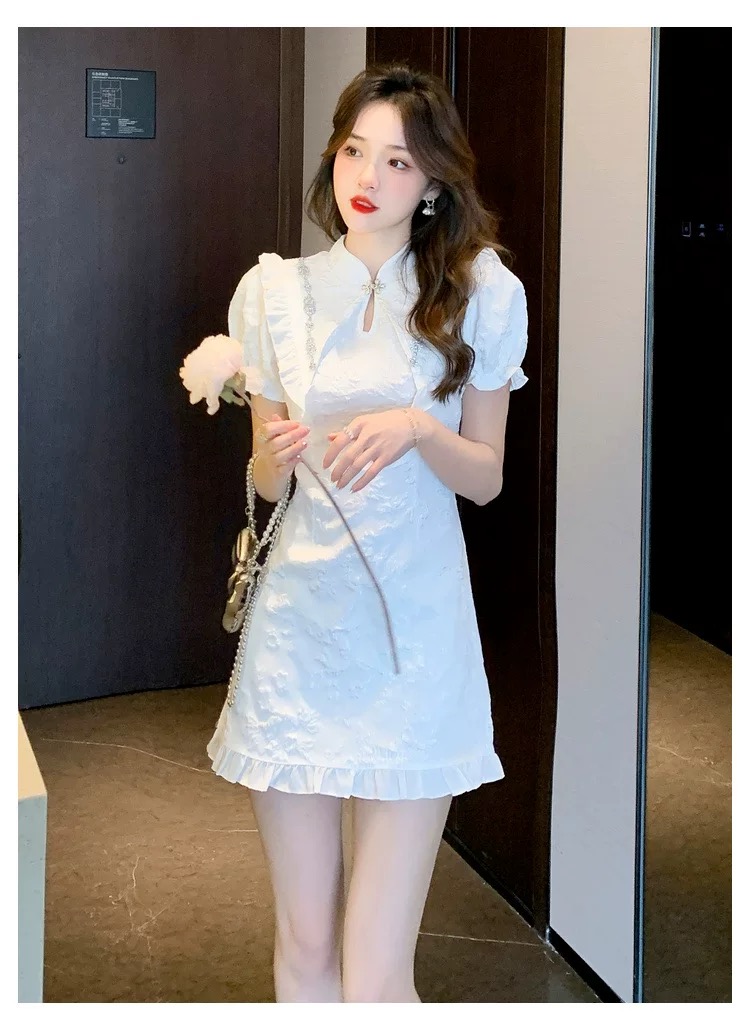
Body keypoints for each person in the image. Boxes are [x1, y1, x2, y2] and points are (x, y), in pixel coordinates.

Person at [207, 63, 529, 1003]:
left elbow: (486, 479)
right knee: (305, 946)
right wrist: (274, 451)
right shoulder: (275, 292)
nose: (369, 177)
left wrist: (419, 427)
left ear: (432, 183)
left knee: (377, 972)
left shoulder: (477, 291)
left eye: (398, 160)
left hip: (413, 636)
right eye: (356, 151)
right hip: (299, 633)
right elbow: (267, 483)